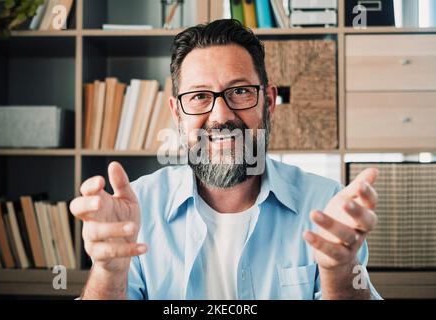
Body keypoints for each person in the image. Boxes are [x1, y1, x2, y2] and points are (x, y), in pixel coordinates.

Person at [70, 19, 381, 300]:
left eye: (241, 91)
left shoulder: (326, 205)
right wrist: (108, 274)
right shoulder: (137, 210)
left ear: (269, 102)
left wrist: (339, 272)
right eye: (199, 96)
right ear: (177, 112)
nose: (221, 116)